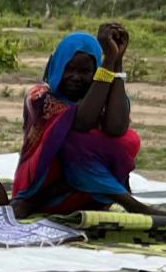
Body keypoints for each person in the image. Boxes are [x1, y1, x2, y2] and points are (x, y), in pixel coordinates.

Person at [12, 24, 158, 217]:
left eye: (85, 71)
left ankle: (109, 194)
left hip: (81, 195)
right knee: (71, 138)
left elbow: (116, 127)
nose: (75, 77)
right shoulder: (39, 96)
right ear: (58, 65)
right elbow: (82, 122)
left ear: (95, 72)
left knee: (127, 139)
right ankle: (128, 202)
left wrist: (116, 61)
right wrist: (107, 64)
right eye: (69, 68)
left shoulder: (102, 92)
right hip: (41, 186)